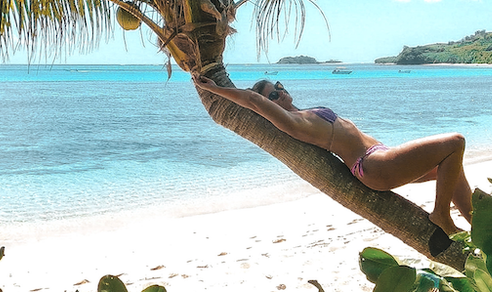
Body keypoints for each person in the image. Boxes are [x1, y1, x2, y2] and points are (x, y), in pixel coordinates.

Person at [195, 75, 473, 239]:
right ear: (269, 103)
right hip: (372, 166)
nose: (280, 92)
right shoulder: (292, 122)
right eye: (273, 94)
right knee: (455, 143)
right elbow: (252, 101)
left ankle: (477, 225)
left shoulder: (303, 112)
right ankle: (440, 216)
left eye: (278, 85)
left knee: (451, 166)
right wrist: (214, 89)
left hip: (381, 156)